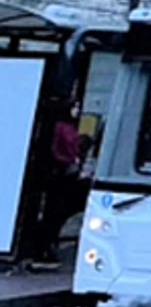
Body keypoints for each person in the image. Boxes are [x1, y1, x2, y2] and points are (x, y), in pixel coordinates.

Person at [27, 101, 87, 273]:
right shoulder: (62, 127)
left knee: (56, 212)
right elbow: (61, 150)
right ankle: (44, 247)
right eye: (74, 106)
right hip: (60, 175)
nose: (78, 110)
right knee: (54, 212)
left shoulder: (65, 126)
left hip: (64, 174)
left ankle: (47, 245)